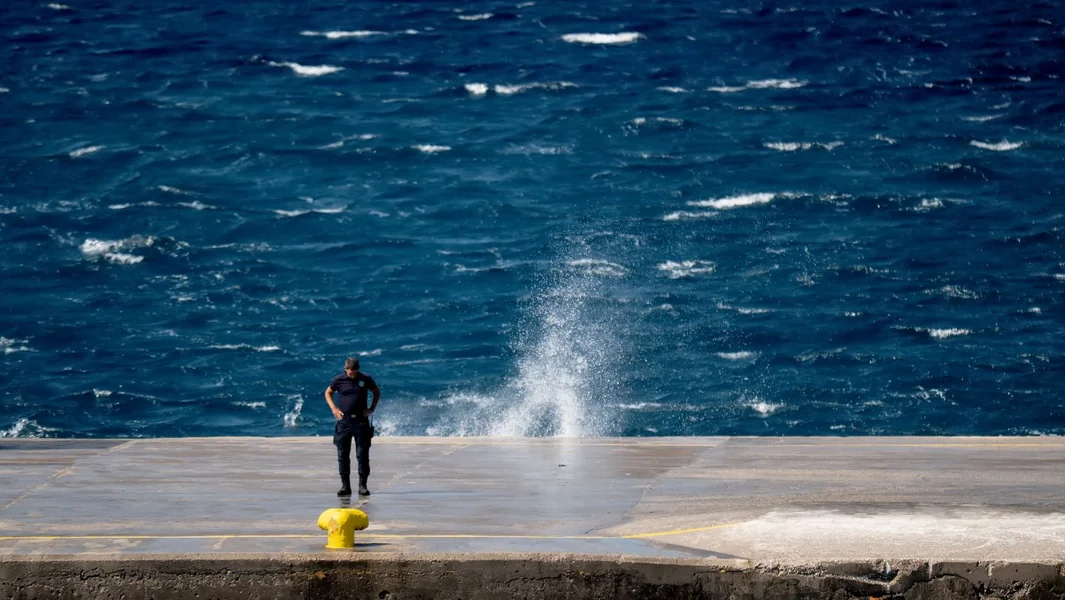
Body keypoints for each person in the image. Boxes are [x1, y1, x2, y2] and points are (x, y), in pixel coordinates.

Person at [325, 357, 380, 497]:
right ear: (346, 370)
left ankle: (363, 486)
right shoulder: (339, 380)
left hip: (361, 422)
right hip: (344, 422)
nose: (352, 375)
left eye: (355, 372)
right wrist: (334, 409)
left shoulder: (365, 379)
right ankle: (345, 486)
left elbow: (376, 392)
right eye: (350, 373)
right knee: (343, 455)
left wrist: (371, 408)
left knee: (362, 455)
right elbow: (328, 393)